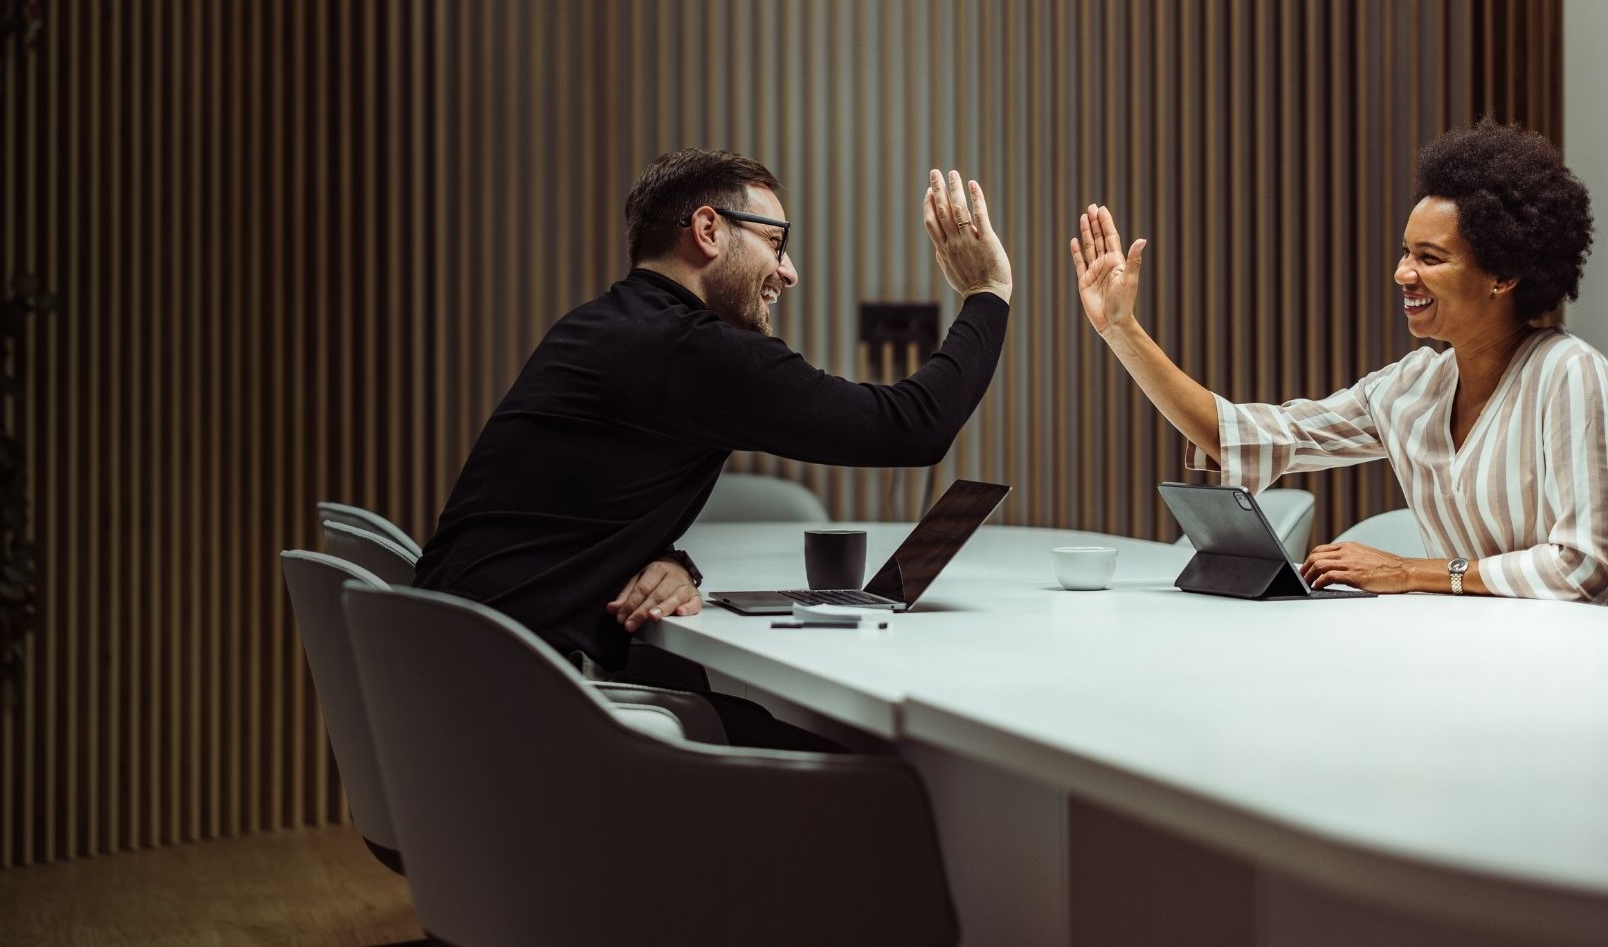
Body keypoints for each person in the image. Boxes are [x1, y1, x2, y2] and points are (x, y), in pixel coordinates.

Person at [415, 149, 1014, 744]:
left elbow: (572, 513)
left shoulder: (603, 327)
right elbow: (913, 426)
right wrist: (986, 291)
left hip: (447, 690)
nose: (789, 272)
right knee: (888, 782)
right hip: (517, 720)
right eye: (777, 243)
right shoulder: (686, 349)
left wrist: (674, 560)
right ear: (707, 230)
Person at [1069, 119, 1608, 601]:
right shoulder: (1410, 387)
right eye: (1405, 251)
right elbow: (1241, 435)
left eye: (1429, 257)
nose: (1402, 273)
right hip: (1458, 654)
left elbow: (1581, 565)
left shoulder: (1567, 374)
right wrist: (1121, 330)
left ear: (1504, 275)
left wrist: (1411, 571)